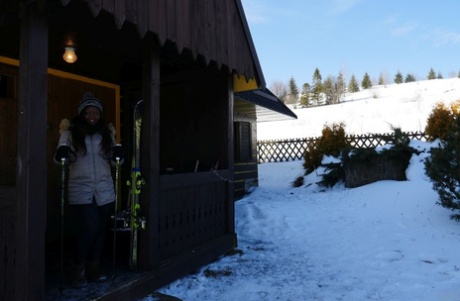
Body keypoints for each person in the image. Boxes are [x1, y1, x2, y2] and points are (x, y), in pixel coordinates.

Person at [54, 92, 123, 288]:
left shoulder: (106, 133)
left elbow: (114, 161)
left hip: (104, 188)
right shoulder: (70, 132)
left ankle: (94, 270)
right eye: (88, 112)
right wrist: (62, 153)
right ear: (82, 113)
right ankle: (76, 268)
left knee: (100, 230)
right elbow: (61, 158)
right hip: (81, 188)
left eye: (96, 112)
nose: (92, 116)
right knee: (90, 227)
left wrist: (118, 154)